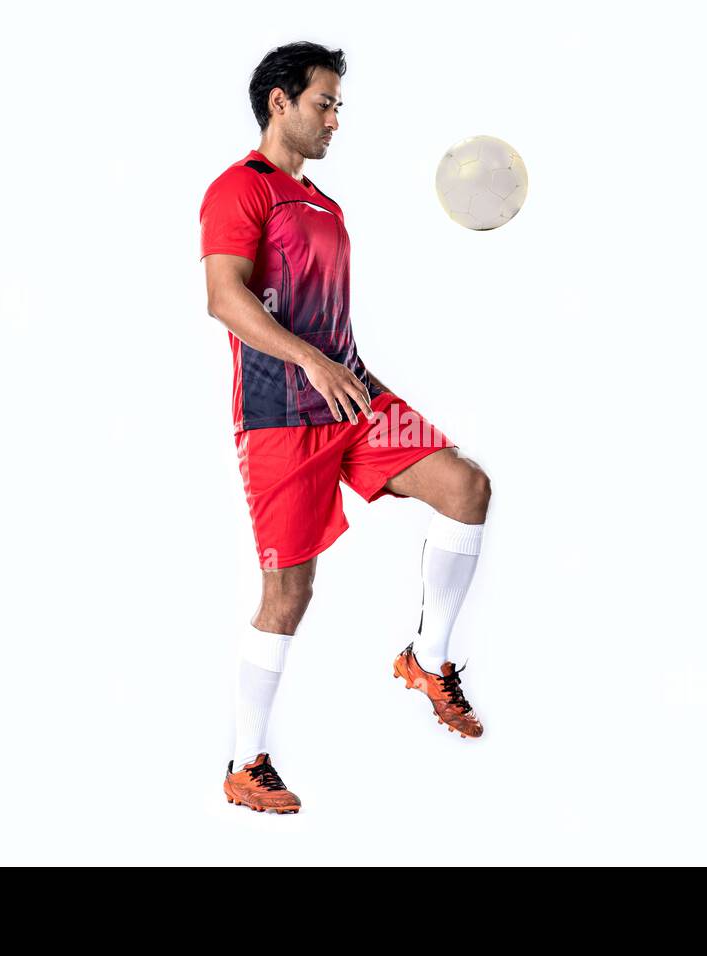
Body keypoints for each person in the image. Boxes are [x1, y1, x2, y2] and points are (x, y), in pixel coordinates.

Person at [200, 42, 492, 814]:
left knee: (465, 486)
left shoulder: (325, 204)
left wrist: (343, 373)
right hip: (280, 418)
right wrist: (311, 365)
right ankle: (245, 762)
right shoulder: (239, 190)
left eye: (338, 105)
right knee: (289, 594)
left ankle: (428, 659)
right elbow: (226, 299)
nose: (335, 117)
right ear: (279, 104)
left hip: (352, 400)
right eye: (323, 102)